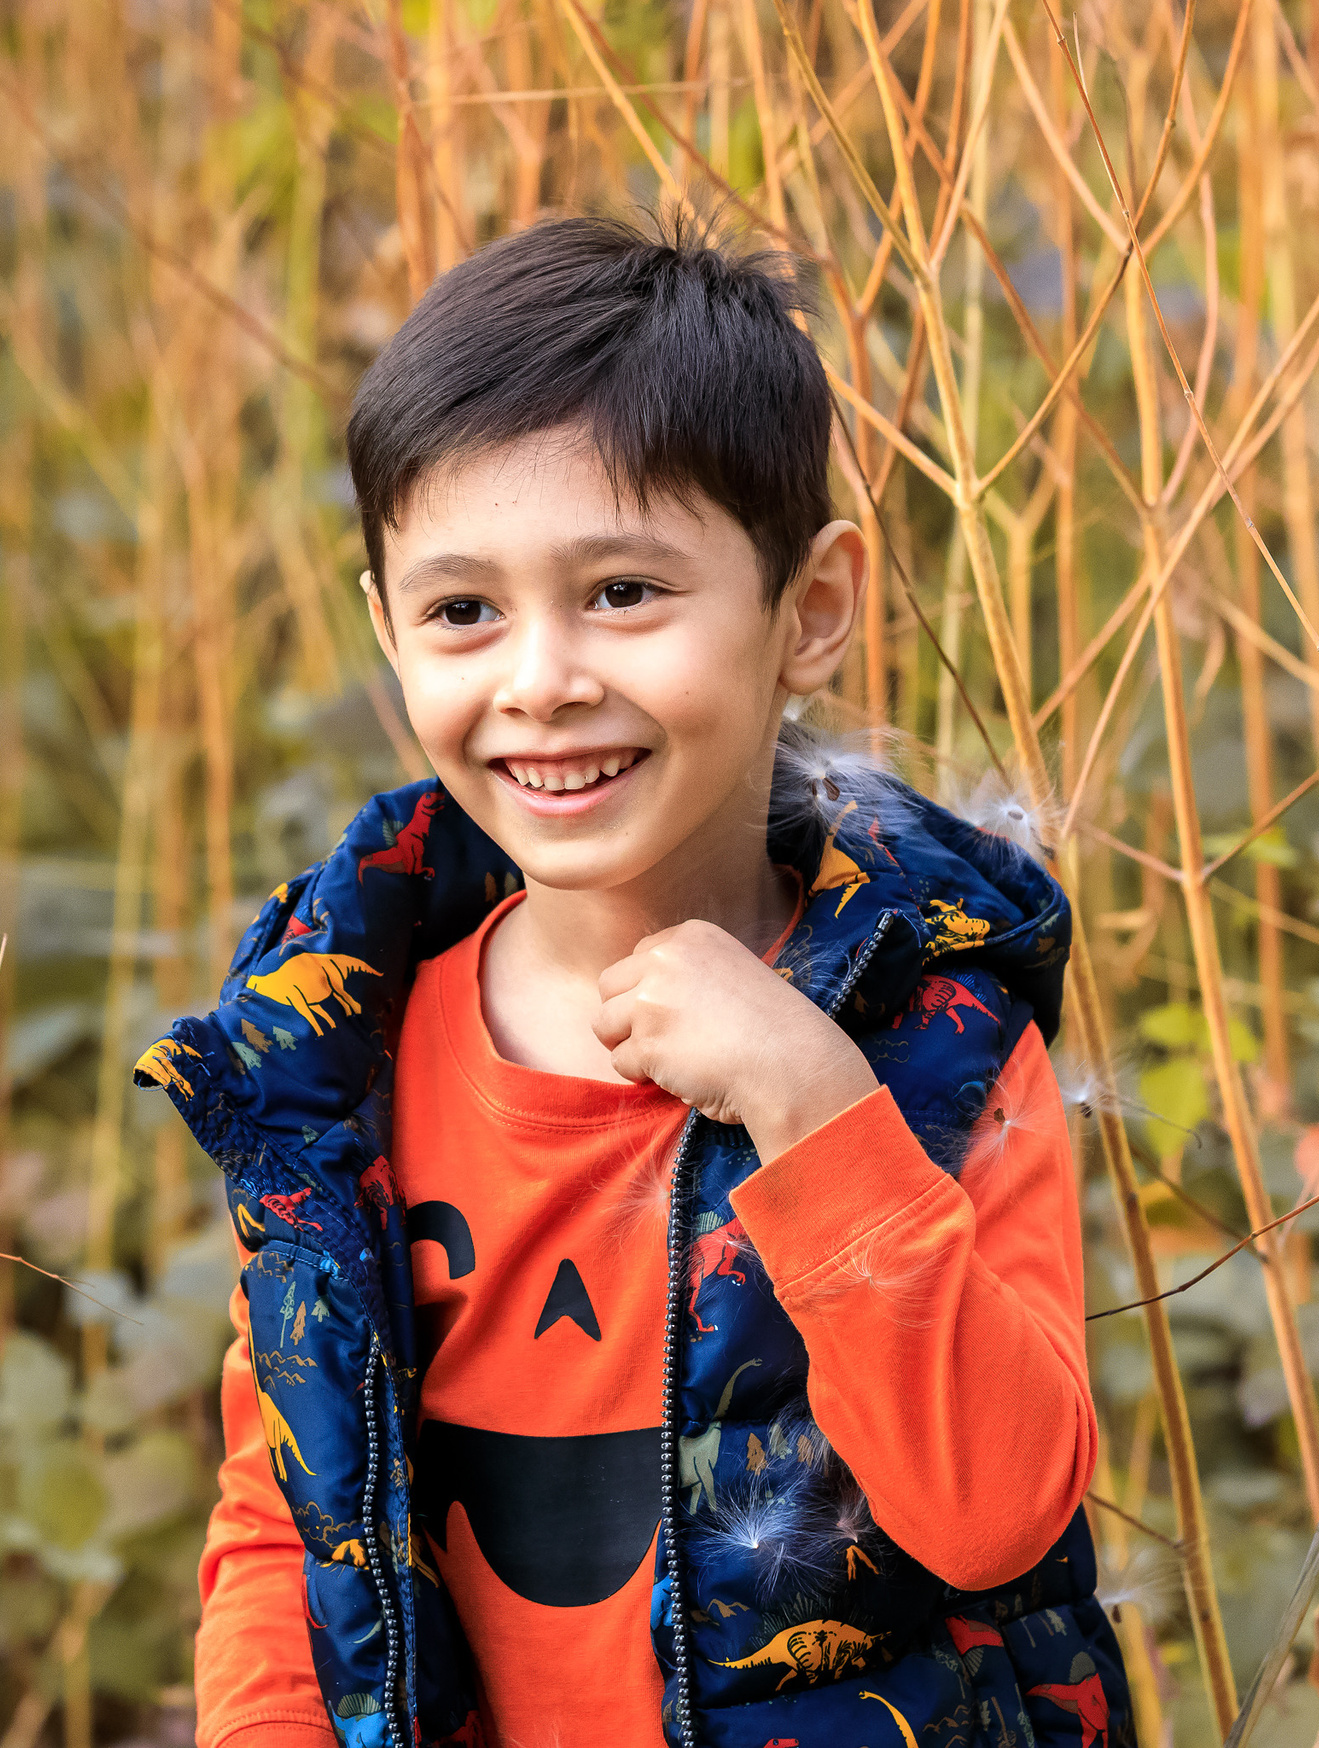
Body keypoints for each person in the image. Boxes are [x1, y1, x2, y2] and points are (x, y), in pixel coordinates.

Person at [134, 215, 1131, 1748]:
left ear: (808, 610)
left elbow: (996, 1517)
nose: (541, 679)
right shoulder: (345, 1060)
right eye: (464, 610)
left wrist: (817, 1113)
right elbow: (292, 1524)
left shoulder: (933, 1040)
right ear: (386, 629)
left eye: (622, 594)